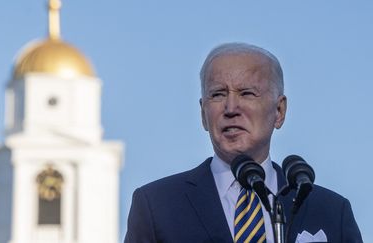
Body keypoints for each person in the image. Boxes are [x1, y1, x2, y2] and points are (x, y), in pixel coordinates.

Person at [124, 43, 362, 243]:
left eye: (247, 93)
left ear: (279, 111)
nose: (230, 108)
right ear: (203, 114)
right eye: (217, 94)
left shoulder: (330, 211)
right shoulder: (157, 205)